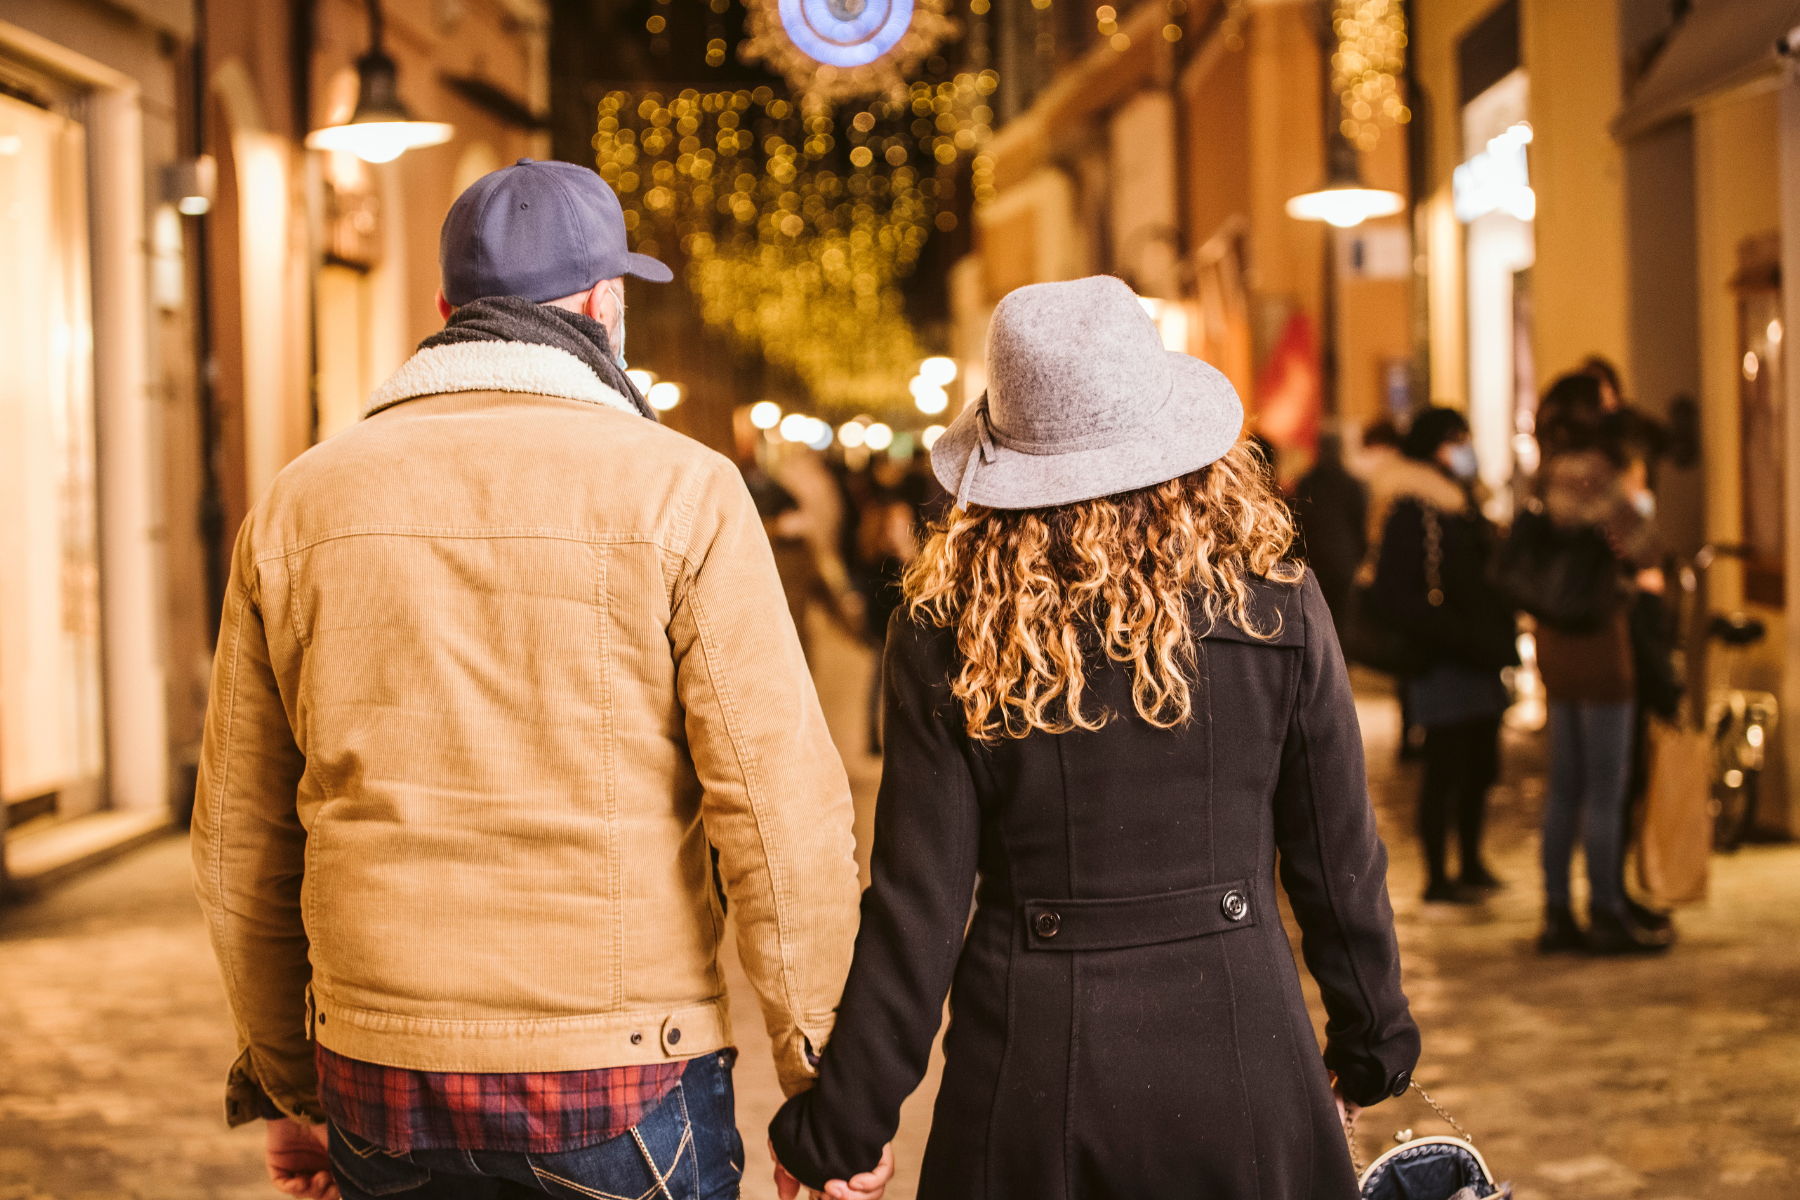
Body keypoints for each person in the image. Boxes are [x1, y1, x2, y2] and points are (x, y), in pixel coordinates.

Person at [191, 159, 882, 1200]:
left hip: (380, 1077)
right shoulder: (682, 492)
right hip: (622, 1075)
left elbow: (242, 840)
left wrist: (292, 1091)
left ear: (446, 311)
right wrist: (823, 1088)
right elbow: (780, 817)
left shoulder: (297, 504)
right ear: (609, 306)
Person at [767, 276, 1420, 1199]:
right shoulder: (1277, 602)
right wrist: (1371, 1043)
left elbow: (919, 902)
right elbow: (1339, 857)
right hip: (1245, 1056)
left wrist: (843, 1127)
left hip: (1031, 1077)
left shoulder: (949, 626)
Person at [1532, 371, 1670, 955]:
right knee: (1605, 788)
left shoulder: (1544, 475)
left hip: (1556, 641)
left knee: (1564, 784)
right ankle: (1608, 910)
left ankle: (1558, 911)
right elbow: (1644, 545)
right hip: (1600, 638)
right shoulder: (1600, 475)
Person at [1370, 408, 1518, 903]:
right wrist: (1451, 633)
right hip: (1444, 658)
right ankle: (1439, 875)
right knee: (1445, 768)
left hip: (1478, 654)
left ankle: (1472, 862)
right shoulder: (1415, 507)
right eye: (1455, 440)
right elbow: (1397, 590)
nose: (1464, 449)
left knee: (1479, 765)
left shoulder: (1464, 503)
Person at [1291, 430, 1369, 627]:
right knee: (1341, 618)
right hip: (1343, 558)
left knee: (1315, 617)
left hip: (1313, 558)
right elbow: (1359, 522)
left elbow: (1299, 521)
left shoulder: (1306, 482)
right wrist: (1360, 553)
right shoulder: (1352, 483)